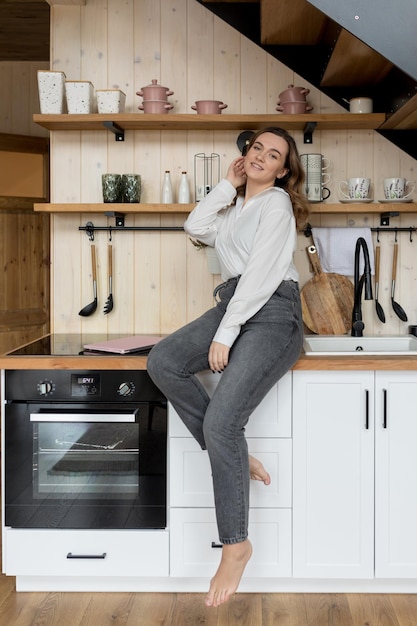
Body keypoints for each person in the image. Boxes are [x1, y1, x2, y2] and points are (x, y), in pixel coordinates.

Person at [147, 127, 310, 607]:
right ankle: (232, 453)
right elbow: (196, 227)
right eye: (256, 148)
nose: (261, 156)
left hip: (272, 312)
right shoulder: (239, 208)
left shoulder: (276, 204)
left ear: (284, 169)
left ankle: (236, 545)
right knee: (165, 361)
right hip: (235, 304)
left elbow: (261, 275)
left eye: (273, 154)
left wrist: (226, 332)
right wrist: (227, 185)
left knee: (223, 421)